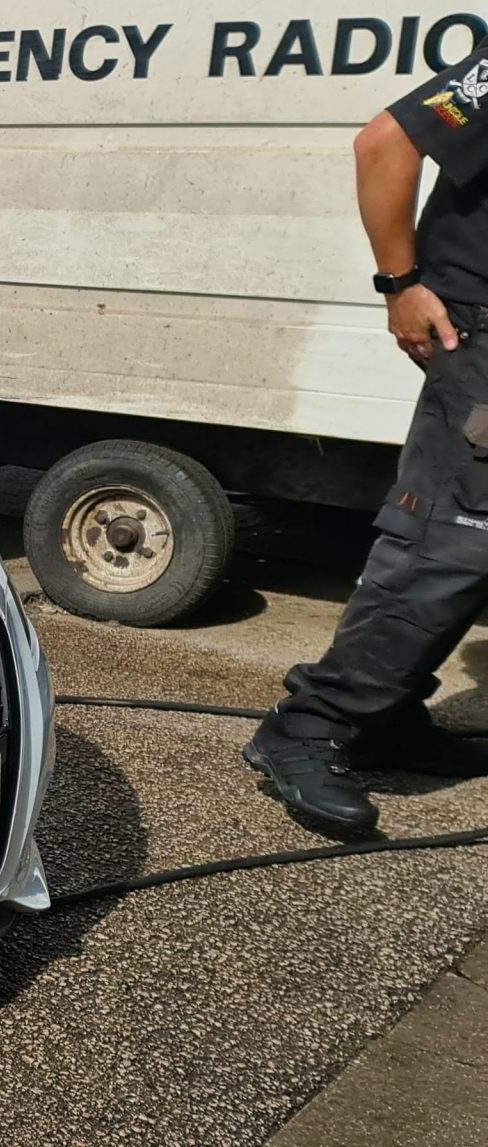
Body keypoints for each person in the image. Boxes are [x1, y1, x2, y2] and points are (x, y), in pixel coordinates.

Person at [246, 50, 488, 835]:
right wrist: (400, 285)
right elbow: (383, 142)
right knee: (451, 541)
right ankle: (308, 728)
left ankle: (383, 715)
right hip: (479, 339)